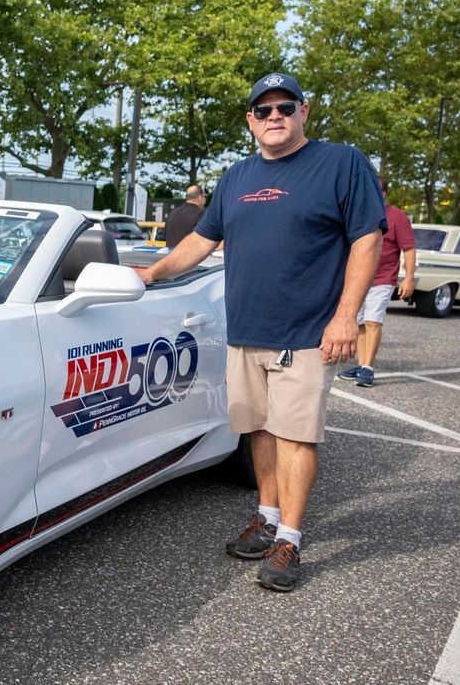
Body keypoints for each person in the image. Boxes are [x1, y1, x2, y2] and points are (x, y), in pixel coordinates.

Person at [135, 72, 385, 592]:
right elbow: (202, 242)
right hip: (246, 330)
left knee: (296, 434)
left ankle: (289, 538)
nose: (275, 117)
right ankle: (266, 517)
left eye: (285, 107)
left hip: (308, 332)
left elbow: (367, 239)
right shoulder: (237, 177)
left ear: (304, 112)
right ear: (251, 120)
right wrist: (152, 273)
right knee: (260, 430)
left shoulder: (340, 163)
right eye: (264, 110)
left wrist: (346, 316)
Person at [338, 177, 416, 387]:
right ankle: (362, 365)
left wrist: (408, 277)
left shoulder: (397, 217)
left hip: (383, 279)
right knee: (361, 323)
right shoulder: (357, 213)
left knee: (373, 321)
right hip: (358, 279)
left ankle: (368, 369)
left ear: (383, 194)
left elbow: (408, 248)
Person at [164, 184, 206, 249]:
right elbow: (204, 240)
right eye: (205, 196)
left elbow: (165, 236)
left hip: (171, 256)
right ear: (200, 197)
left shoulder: (173, 213)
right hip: (190, 257)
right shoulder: (200, 214)